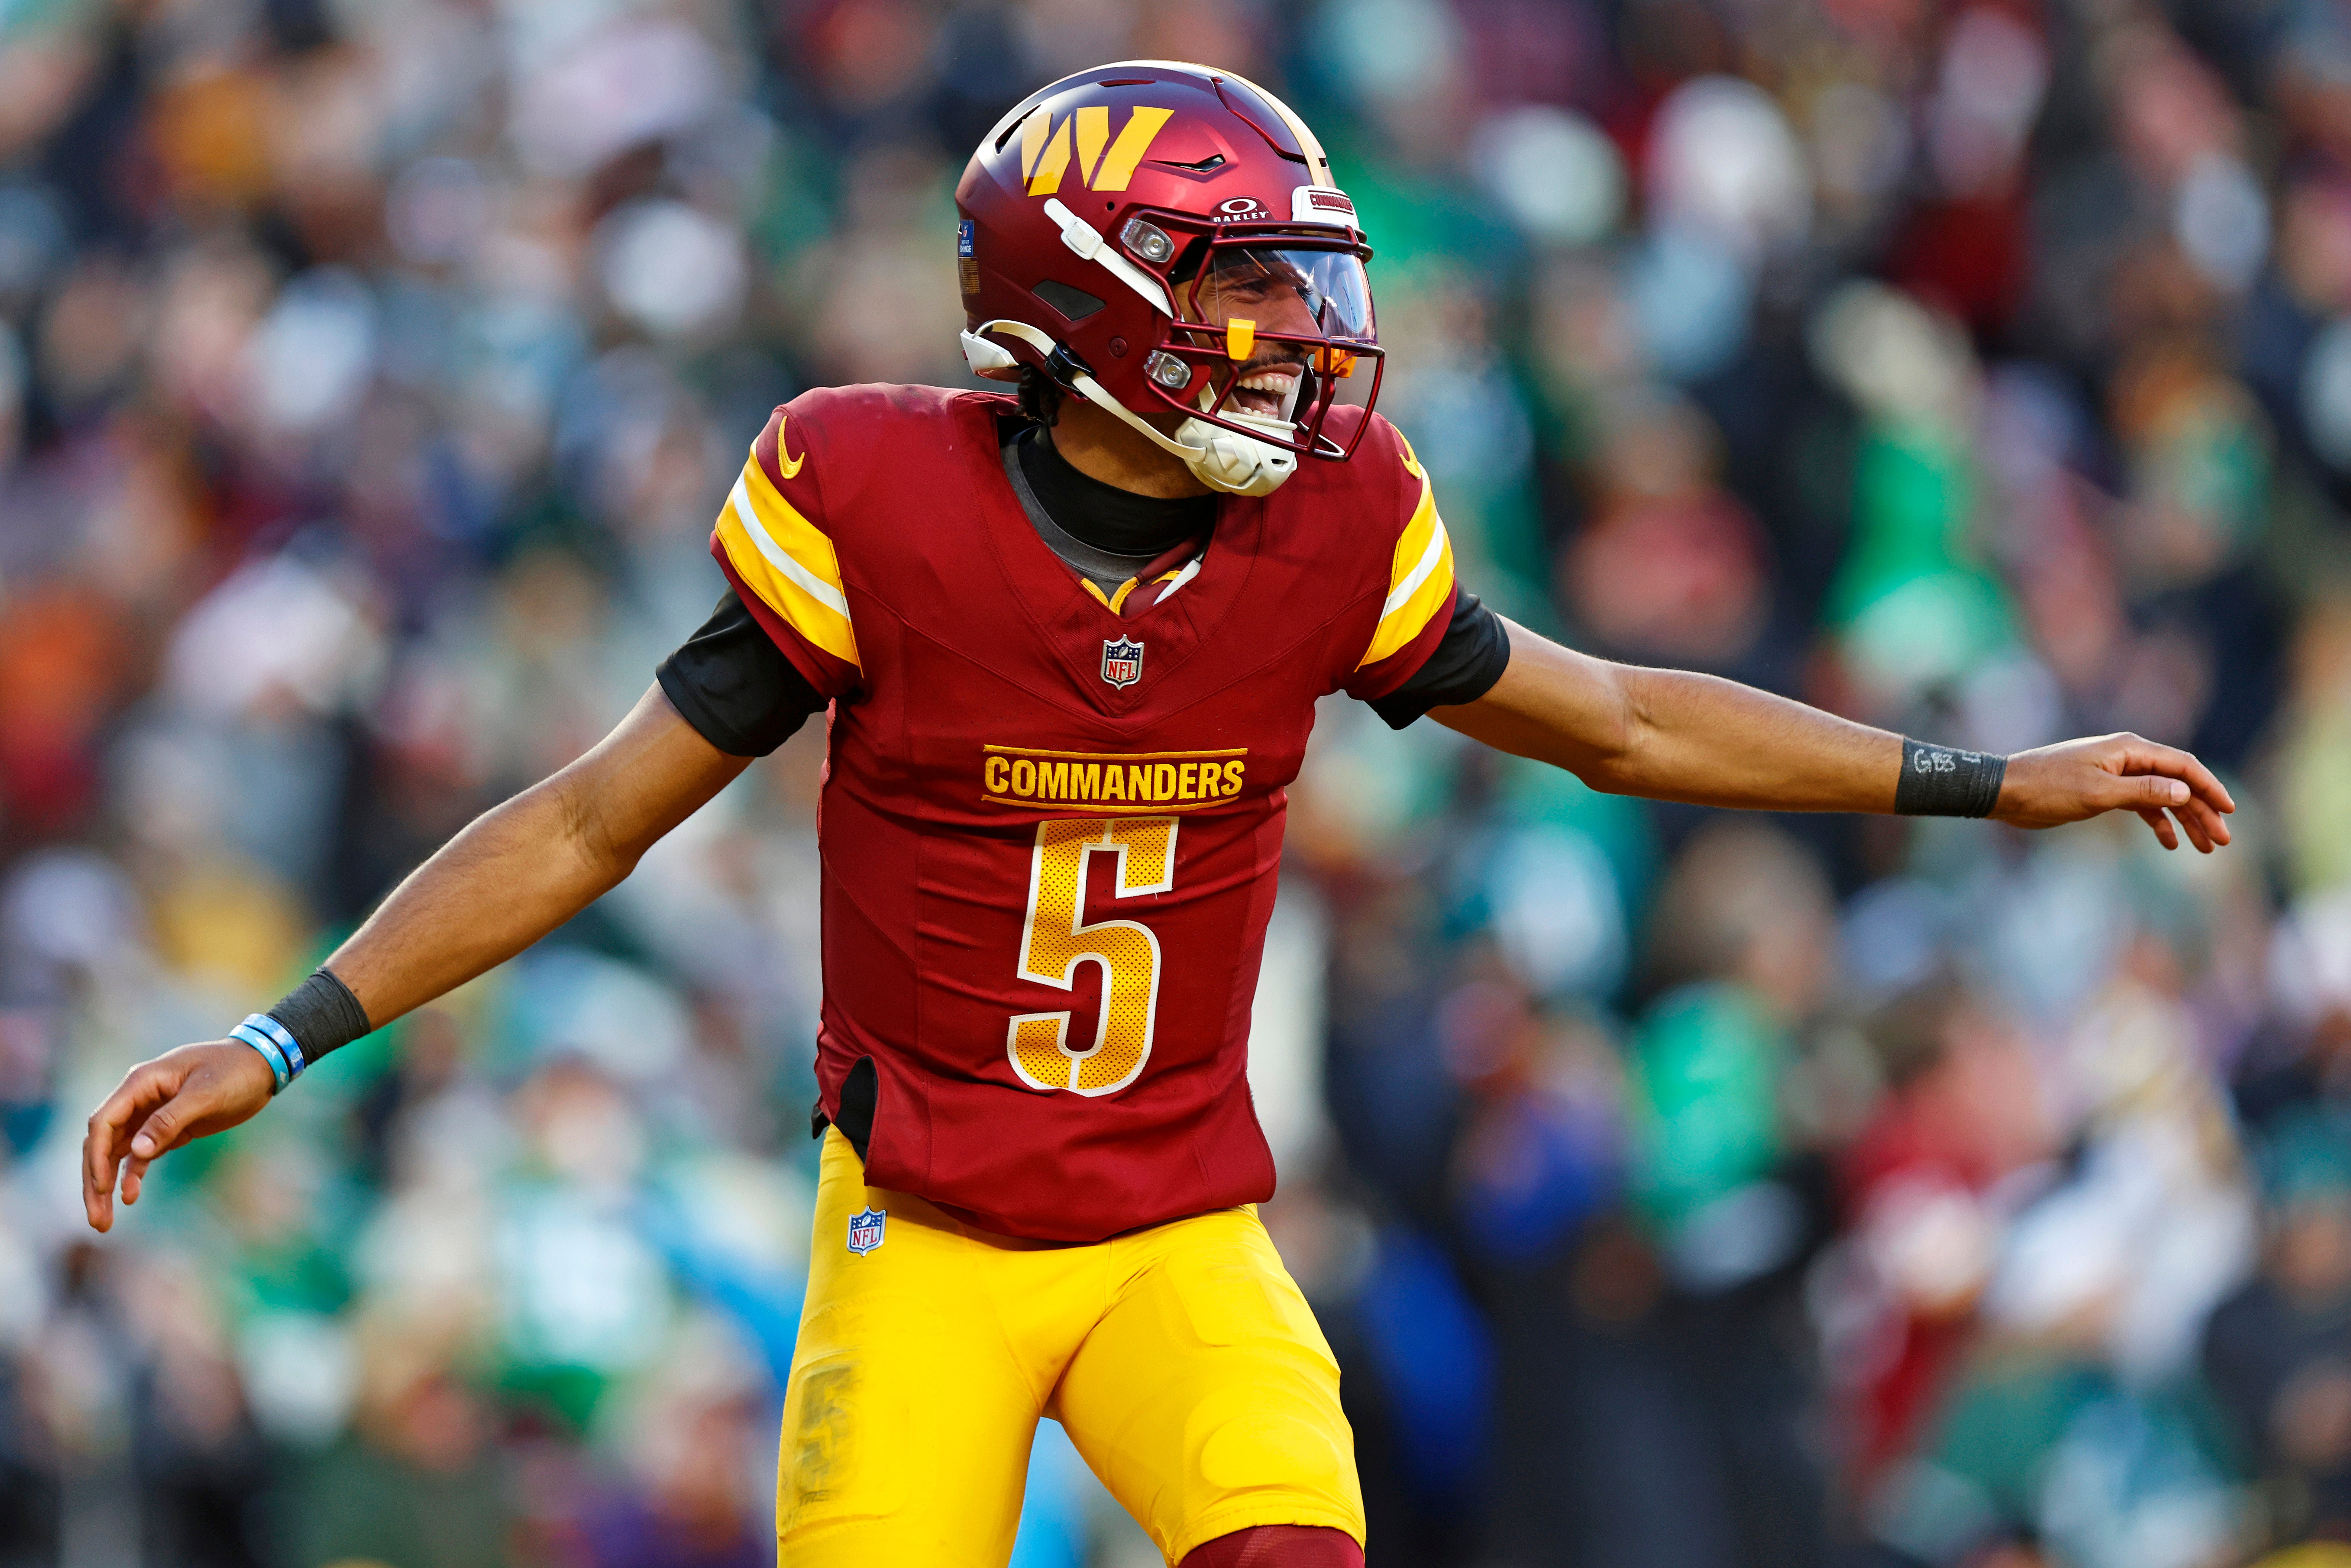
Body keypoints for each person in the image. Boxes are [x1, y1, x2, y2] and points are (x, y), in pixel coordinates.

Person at [80, 63, 2235, 1568]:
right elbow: (584, 823)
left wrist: (1982, 780)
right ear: (1092, 307)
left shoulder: (1331, 526)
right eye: (1245, 291)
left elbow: (1617, 726)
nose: (1304, 340)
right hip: (917, 1244)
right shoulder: (877, 498)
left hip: (1178, 1234)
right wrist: (283, 1035)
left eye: (1306, 287)